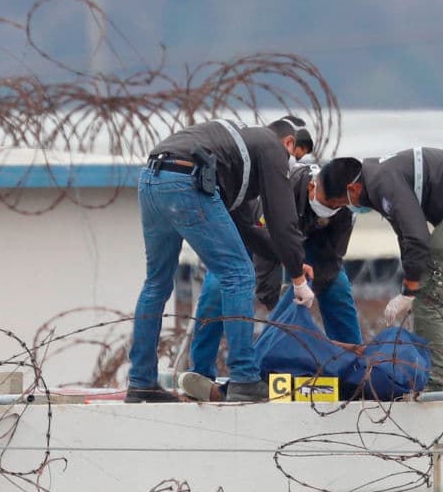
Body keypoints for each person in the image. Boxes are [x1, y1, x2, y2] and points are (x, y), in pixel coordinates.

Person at [125, 117, 315, 403]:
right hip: (187, 180)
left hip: (152, 180)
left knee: (156, 283)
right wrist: (298, 280)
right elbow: (281, 218)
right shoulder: (271, 147)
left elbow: (247, 231)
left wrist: (292, 263)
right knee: (238, 275)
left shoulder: (233, 159)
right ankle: (244, 378)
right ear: (288, 143)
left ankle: (141, 382)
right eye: (292, 156)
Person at [310, 149, 443, 396]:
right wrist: (409, 286)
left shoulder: (383, 182)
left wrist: (409, 291)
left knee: (428, 298)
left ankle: (441, 381)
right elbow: (406, 237)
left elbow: (417, 239)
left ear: (352, 190)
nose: (346, 209)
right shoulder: (380, 178)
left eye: (340, 204)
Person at [182, 162, 362, 399]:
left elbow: (331, 261)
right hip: (252, 236)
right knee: (218, 284)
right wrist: (281, 309)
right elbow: (264, 257)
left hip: (302, 244)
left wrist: (306, 289)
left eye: (338, 206)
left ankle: (354, 372)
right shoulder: (282, 190)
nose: (332, 209)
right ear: (311, 187)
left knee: (337, 286)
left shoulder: (344, 210)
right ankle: (203, 374)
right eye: (328, 203)